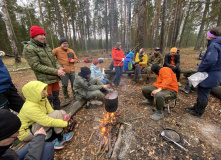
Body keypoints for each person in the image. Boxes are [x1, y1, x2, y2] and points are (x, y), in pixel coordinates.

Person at [18, 81, 73, 150]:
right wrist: (64, 123)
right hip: (27, 132)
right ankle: (59, 138)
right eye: (41, 91)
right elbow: (46, 122)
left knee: (61, 112)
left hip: (36, 124)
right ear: (33, 93)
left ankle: (58, 134)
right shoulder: (30, 107)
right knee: (57, 115)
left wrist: (61, 117)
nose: (44, 92)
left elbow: (51, 112)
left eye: (44, 89)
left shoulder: (42, 99)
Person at [22, 26, 65, 110]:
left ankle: (58, 109)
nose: (44, 37)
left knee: (56, 94)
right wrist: (56, 71)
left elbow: (54, 60)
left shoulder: (45, 46)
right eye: (41, 35)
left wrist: (59, 68)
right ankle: (49, 114)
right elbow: (36, 66)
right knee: (48, 98)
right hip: (45, 79)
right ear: (34, 36)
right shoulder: (29, 48)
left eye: (44, 35)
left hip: (54, 77)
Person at [186, 27, 221, 117]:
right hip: (214, 73)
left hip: (209, 74)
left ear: (211, 36)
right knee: (202, 91)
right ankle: (196, 107)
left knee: (203, 93)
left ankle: (199, 112)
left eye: (208, 34)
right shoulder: (217, 44)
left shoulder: (214, 45)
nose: (206, 36)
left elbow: (210, 61)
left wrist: (201, 69)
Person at [52, 38, 78, 103]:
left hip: (72, 70)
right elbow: (51, 58)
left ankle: (75, 96)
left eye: (67, 43)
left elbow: (76, 59)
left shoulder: (71, 50)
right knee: (65, 85)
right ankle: (67, 98)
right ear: (61, 44)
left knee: (74, 84)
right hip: (63, 71)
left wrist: (73, 60)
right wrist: (57, 66)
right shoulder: (56, 50)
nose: (66, 45)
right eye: (64, 43)